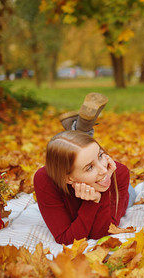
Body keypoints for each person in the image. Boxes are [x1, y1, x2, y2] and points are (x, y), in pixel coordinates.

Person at [34, 93, 135, 245]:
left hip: (120, 189)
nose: (103, 169)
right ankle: (80, 131)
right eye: (89, 167)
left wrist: (102, 190)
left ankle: (78, 132)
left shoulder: (117, 172)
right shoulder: (45, 180)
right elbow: (66, 239)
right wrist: (92, 203)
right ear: (68, 178)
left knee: (133, 193)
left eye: (101, 155)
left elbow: (105, 232)